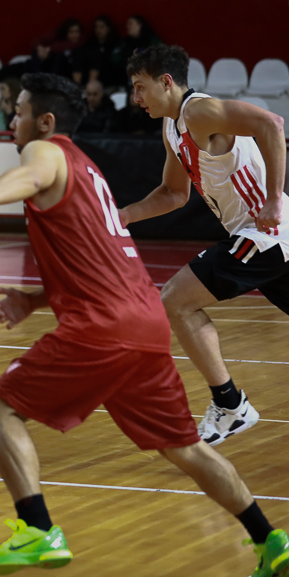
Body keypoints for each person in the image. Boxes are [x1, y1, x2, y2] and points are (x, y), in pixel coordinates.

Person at [0, 72, 288, 577]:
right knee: (185, 447)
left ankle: (38, 531)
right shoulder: (89, 172)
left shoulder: (47, 152)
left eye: (20, 110)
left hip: (103, 327)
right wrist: (35, 299)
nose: (13, 119)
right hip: (142, 319)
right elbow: (99, 266)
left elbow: (26, 178)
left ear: (46, 121)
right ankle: (270, 540)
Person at [118, 45, 287, 447]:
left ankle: (231, 406)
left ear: (166, 82)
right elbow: (173, 194)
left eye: (141, 88)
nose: (136, 98)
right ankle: (230, 406)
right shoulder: (173, 127)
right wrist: (119, 217)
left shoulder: (198, 111)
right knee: (177, 299)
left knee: (175, 298)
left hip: (265, 234)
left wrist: (274, 197)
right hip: (262, 238)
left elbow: (271, 122)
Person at [78, 15, 124, 89]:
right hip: (90, 83)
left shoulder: (115, 45)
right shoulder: (90, 45)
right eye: (96, 27)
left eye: (102, 27)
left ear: (108, 28)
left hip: (110, 83)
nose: (98, 30)